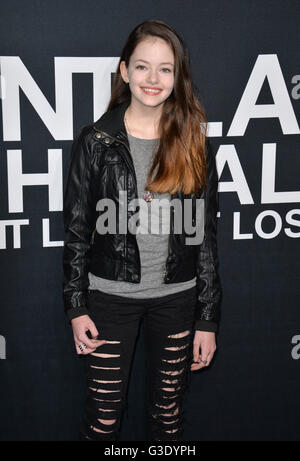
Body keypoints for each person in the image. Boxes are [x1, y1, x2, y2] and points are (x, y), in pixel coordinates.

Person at [63, 19, 221, 441]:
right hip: (109, 301)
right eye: (143, 67)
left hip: (177, 300)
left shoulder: (194, 142)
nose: (153, 79)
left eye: (165, 69)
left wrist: (207, 318)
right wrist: (77, 307)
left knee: (168, 416)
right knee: (103, 420)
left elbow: (203, 237)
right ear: (124, 71)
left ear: (177, 76)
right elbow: (77, 231)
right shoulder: (95, 141)